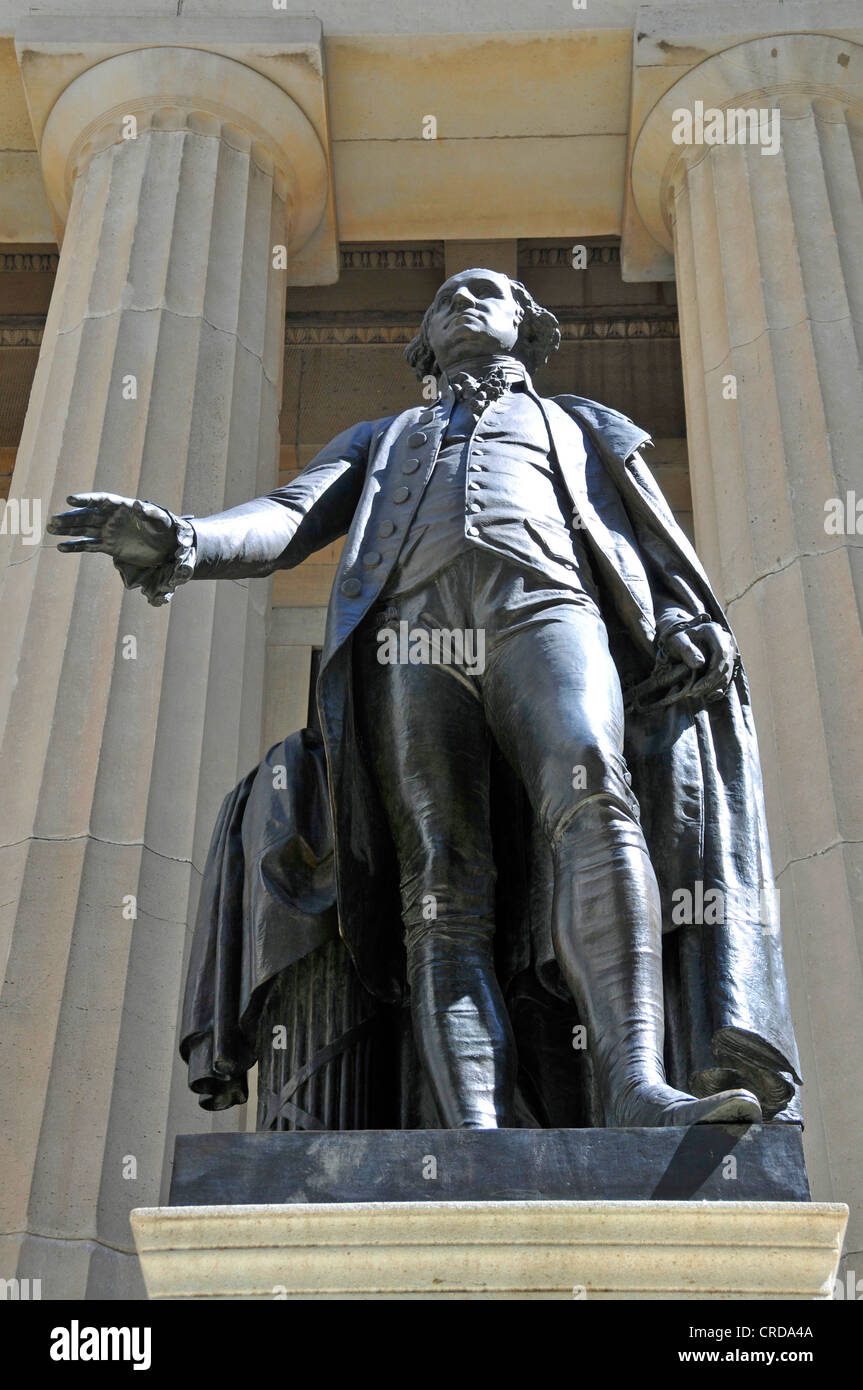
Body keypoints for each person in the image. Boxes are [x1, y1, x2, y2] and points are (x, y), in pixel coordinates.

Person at [49, 269, 801, 1129]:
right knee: (440, 879)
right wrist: (185, 541)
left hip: (544, 607)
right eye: (443, 299)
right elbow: (290, 518)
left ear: (529, 323)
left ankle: (634, 1083)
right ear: (424, 343)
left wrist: (680, 614)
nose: (461, 302)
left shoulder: (580, 425)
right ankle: (471, 1130)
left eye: (486, 291)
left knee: (595, 790)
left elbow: (645, 542)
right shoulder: (384, 437)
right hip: (412, 637)